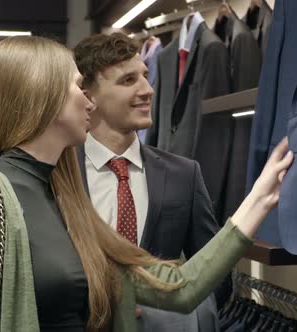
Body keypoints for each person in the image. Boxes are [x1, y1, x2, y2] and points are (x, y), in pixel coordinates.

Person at [0, 35, 293, 332]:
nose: (86, 99)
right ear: (42, 96)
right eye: (75, 86)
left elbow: (178, 287)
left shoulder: (66, 199)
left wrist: (260, 198)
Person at [73, 33, 228, 332]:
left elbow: (216, 274)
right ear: (89, 96)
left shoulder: (184, 175)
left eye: (145, 76)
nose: (148, 89)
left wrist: (175, 317)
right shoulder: (61, 175)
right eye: (128, 80)